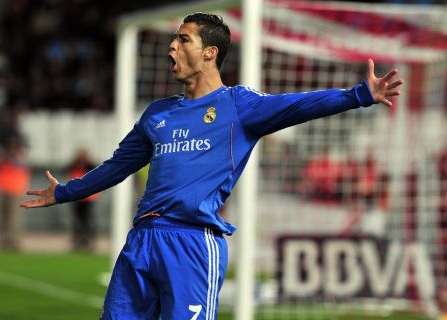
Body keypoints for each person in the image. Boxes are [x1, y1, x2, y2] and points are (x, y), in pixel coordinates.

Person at [20, 12, 403, 320]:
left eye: (183, 39)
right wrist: (66, 191)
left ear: (210, 53)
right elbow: (117, 167)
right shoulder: (158, 114)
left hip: (192, 243)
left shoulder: (239, 105)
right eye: (174, 38)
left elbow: (298, 105)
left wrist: (360, 95)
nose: (171, 45)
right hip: (142, 240)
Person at [0, 135, 31, 250]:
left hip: (15, 191)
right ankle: (4, 241)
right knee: (3, 217)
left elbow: (19, 165)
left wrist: (11, 156)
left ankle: (14, 242)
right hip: (4, 189)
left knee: (13, 218)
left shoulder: (19, 158)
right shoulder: (4, 158)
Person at [67, 148, 100, 251]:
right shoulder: (74, 165)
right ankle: (79, 241)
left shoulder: (90, 166)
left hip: (88, 197)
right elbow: (67, 169)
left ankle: (89, 240)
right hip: (76, 196)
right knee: (78, 220)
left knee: (87, 220)